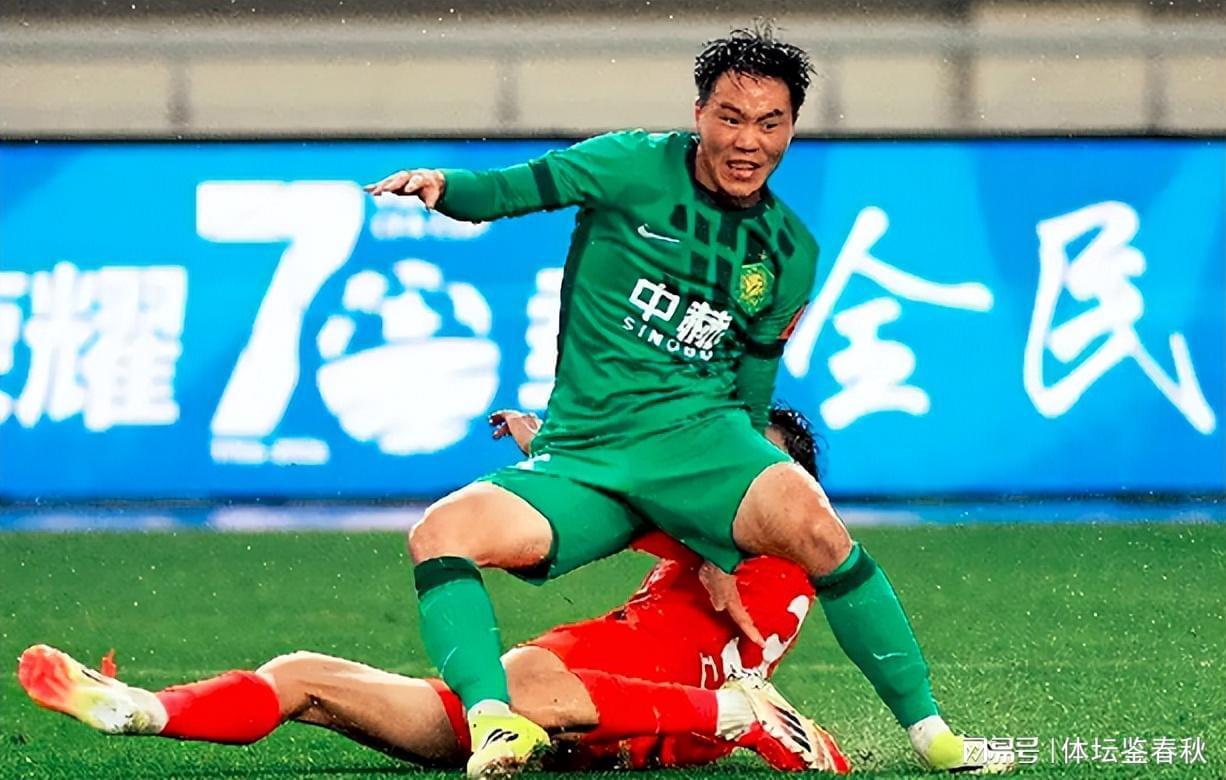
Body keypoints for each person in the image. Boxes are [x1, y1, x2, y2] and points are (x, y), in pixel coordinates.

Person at [366, 25, 1009, 777]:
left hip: (703, 442)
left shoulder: (788, 252)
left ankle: (935, 737)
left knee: (820, 530)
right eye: (731, 118)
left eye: (770, 123)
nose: (748, 142)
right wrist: (446, 187)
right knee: (440, 533)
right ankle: (494, 723)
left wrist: (728, 526)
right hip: (587, 453)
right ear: (699, 113)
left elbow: (753, 386)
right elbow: (514, 189)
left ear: (791, 128)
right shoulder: (628, 165)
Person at [18, 407, 849, 774]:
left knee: (517, 682)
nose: (723, 476)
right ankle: (145, 709)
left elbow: (653, 503)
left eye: (751, 464)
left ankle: (741, 713)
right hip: (556, 705)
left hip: (602, 699)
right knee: (304, 676)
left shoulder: (781, 554)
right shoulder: (722, 538)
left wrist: (562, 455)